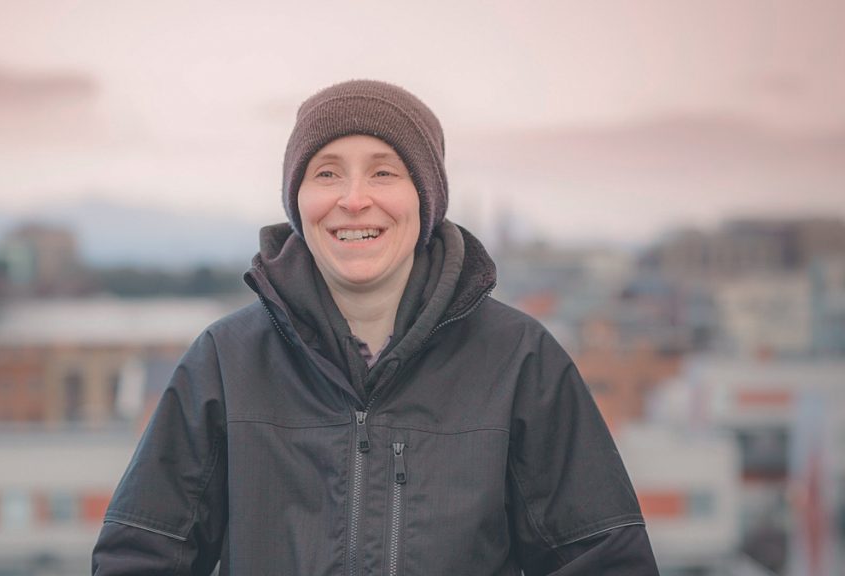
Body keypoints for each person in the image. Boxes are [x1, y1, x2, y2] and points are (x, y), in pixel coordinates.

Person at [92, 80, 660, 575]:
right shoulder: (226, 361)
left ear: (425, 198)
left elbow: (605, 561)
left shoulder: (520, 361)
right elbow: (139, 556)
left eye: (383, 172)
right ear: (298, 200)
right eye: (326, 173)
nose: (354, 199)